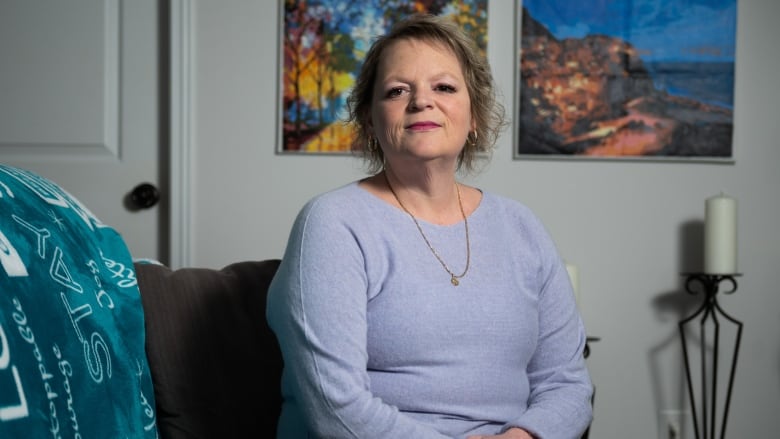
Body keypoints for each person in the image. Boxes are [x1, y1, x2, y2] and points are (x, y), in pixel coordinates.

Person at [267, 13, 593, 439]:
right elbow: (335, 407)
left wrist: (522, 437)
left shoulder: (522, 226)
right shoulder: (332, 223)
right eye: (397, 90)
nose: (422, 101)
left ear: (473, 115)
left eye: (444, 87)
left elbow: (567, 384)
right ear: (369, 120)